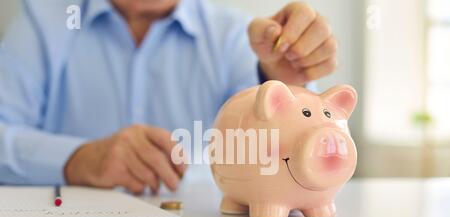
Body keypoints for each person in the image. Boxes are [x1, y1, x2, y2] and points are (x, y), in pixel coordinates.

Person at [0, 0, 338, 193]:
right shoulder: (41, 22)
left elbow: (271, 161)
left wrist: (282, 82)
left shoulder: (234, 37)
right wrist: (78, 159)